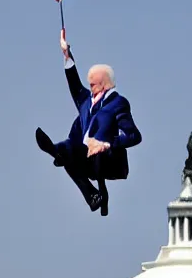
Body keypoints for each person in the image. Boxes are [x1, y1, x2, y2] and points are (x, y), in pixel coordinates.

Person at [35, 31, 142, 216]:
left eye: (92, 84)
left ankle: (94, 182)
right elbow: (74, 84)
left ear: (104, 84)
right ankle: (93, 196)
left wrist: (107, 144)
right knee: (68, 148)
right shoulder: (85, 101)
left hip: (108, 158)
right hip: (85, 155)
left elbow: (134, 136)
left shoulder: (118, 103)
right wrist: (67, 55)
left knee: (92, 146)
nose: (89, 87)